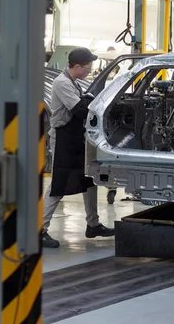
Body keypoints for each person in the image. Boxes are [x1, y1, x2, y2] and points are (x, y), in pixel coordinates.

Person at [41, 47, 115, 248]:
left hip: (75, 137)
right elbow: (80, 110)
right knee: (59, 184)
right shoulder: (62, 83)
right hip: (63, 138)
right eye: (88, 66)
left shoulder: (73, 82)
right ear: (77, 67)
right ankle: (39, 230)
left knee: (89, 180)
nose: (90, 69)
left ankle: (93, 225)